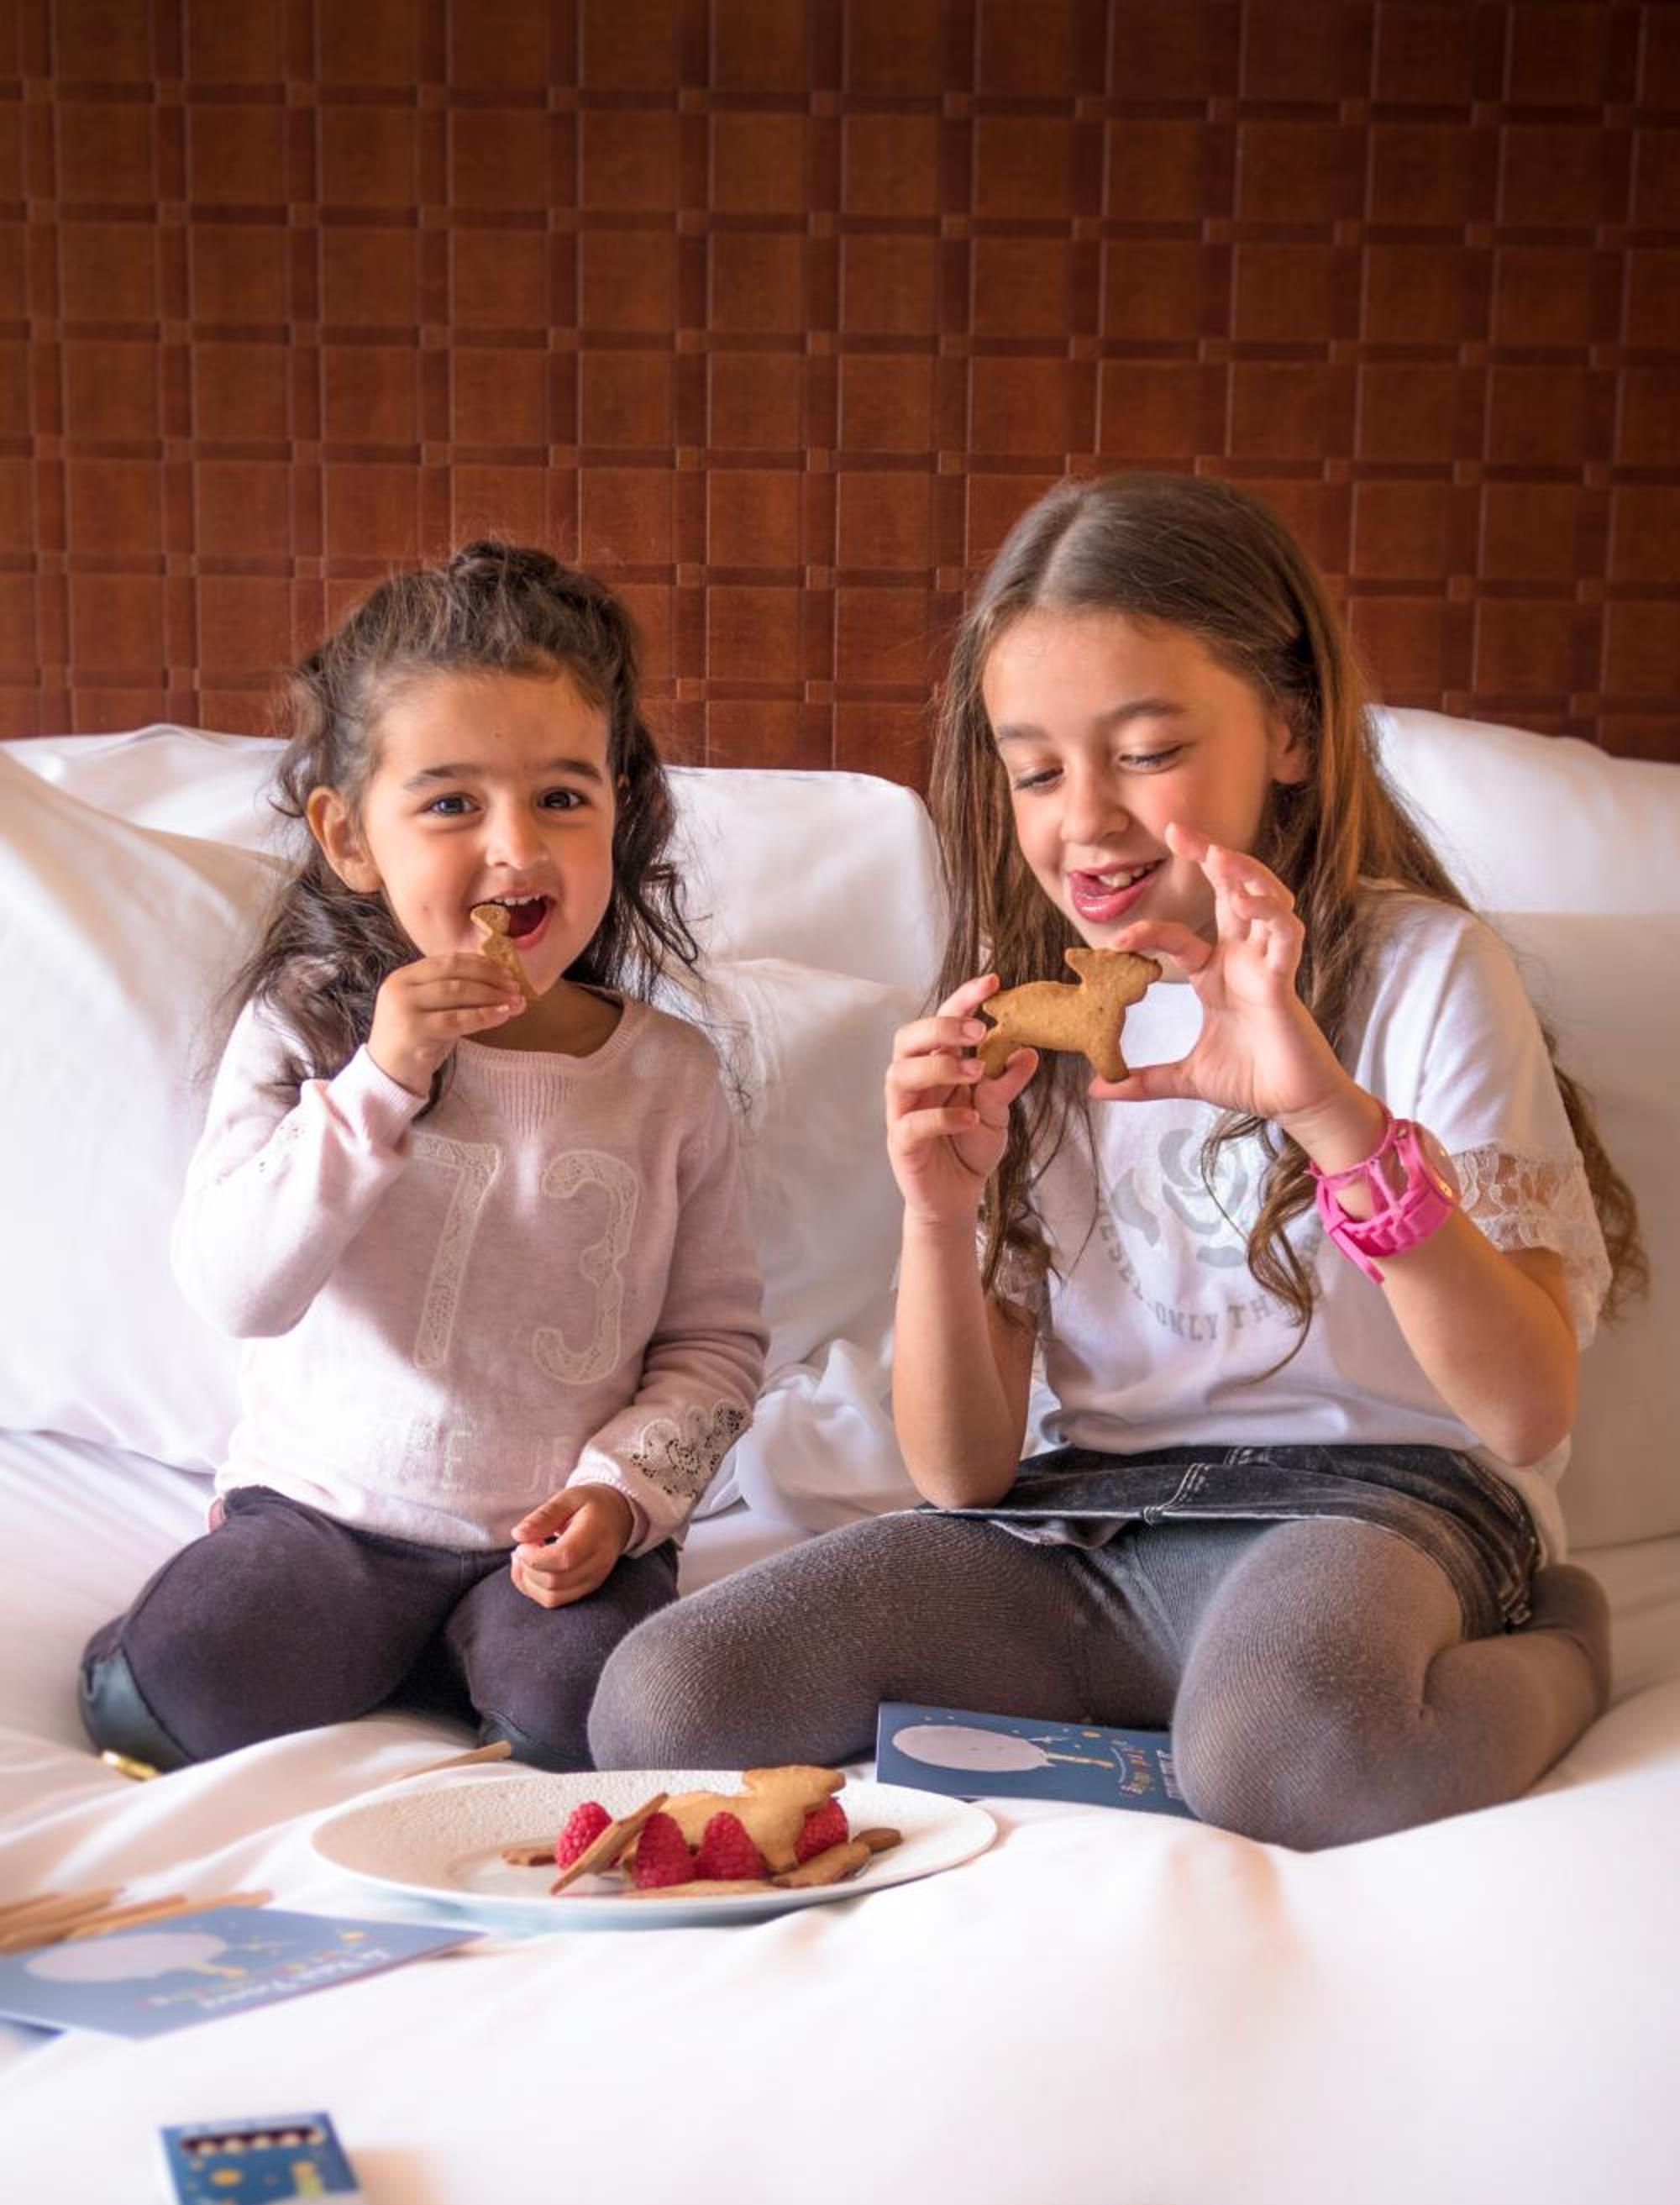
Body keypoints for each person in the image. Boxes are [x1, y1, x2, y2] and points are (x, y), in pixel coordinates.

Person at [589, 473, 1645, 1851]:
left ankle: (1559, 1643)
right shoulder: (1028, 1018)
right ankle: (1195, 1713)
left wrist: (1328, 1114)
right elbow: (961, 1477)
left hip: (1374, 1508)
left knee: (1290, 1756)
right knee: (663, 1699)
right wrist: (936, 1212)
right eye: (1036, 771)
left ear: (1290, 731)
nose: (1083, 819)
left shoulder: (1424, 971)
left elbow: (1525, 1415)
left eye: (1145, 752)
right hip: (1085, 1525)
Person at [81, 542, 766, 1771]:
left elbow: (713, 1348)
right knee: (168, 1690)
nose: (516, 849)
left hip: (549, 1541)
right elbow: (240, 1291)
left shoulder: (668, 1078)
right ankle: (361, 1648)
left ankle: (495, 1666)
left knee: (606, 1722)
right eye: (452, 804)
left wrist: (621, 1500)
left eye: (562, 798)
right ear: (350, 836)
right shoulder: (308, 1029)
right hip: (326, 1519)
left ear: (618, 810)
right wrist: (380, 1082)